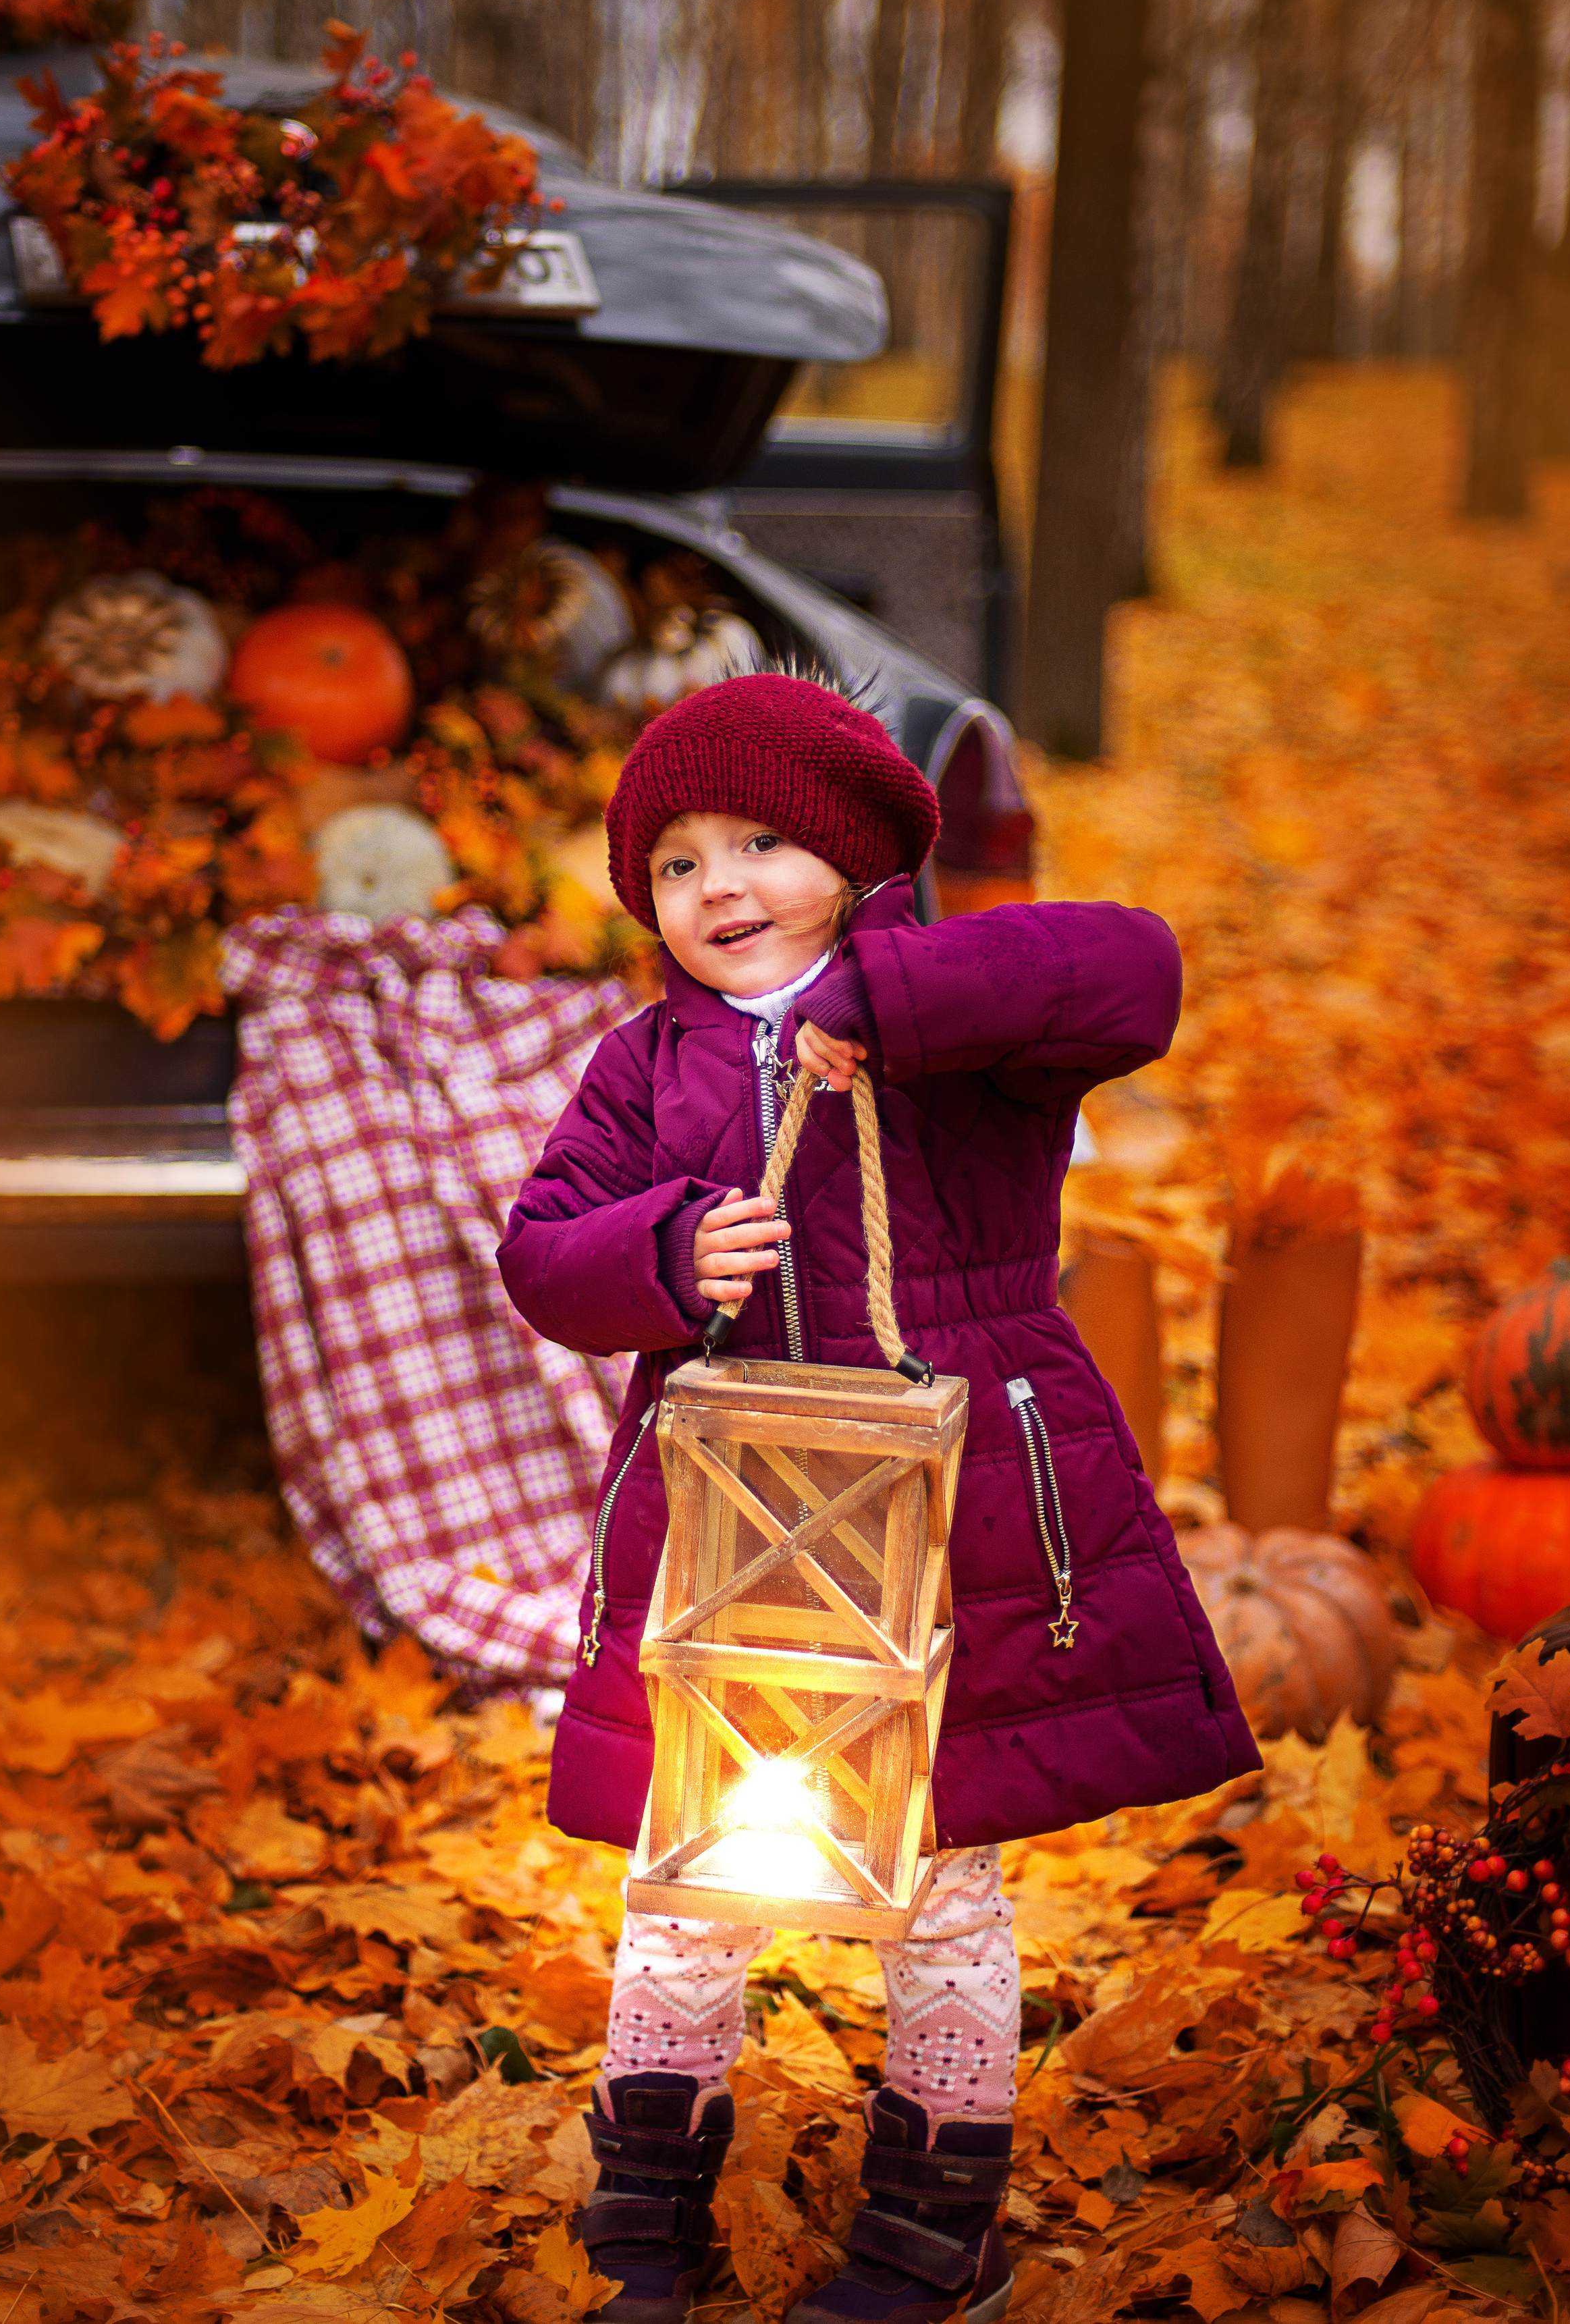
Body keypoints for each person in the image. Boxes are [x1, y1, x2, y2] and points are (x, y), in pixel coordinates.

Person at [497, 674, 1259, 2324]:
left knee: (940, 1884)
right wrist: (655, 1252)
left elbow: (1134, 971)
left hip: (957, 1526)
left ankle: (933, 2224)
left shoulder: (967, 1038)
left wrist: (894, 996)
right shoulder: (646, 1065)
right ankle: (645, 2214)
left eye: (762, 843)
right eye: (679, 863)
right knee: (688, 1876)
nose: (720, 888)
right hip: (730, 1531)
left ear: (851, 857)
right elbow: (541, 1249)